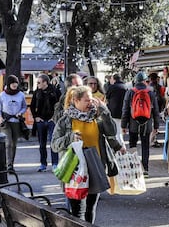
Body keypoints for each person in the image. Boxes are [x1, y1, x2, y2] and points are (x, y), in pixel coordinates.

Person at [51, 85, 123, 223]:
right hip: (75, 170)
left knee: (91, 208)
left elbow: (112, 132)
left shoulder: (97, 117)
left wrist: (104, 110)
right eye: (86, 100)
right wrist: (70, 138)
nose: (90, 103)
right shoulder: (65, 121)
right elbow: (55, 145)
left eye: (91, 100)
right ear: (75, 101)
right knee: (77, 211)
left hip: (95, 166)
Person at [121, 71, 161, 177]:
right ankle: (145, 169)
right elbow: (156, 111)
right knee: (145, 146)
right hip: (147, 123)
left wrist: (123, 125)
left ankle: (134, 168)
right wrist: (156, 126)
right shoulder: (151, 92)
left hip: (133, 123)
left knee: (133, 144)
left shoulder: (130, 92)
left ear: (135, 81)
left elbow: (125, 110)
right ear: (144, 81)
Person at [0, 75, 27, 172]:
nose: (14, 85)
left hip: (16, 122)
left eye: (16, 83)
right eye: (12, 83)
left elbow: (24, 106)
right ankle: (8, 164)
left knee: (14, 144)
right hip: (6, 121)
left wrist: (20, 112)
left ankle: (11, 163)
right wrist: (0, 118)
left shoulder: (21, 94)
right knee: (8, 143)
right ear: (8, 84)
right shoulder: (2, 95)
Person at [30, 73, 61, 172]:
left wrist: (55, 117)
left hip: (52, 120)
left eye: (39, 82)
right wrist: (36, 117)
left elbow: (59, 106)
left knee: (53, 142)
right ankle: (43, 164)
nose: (37, 84)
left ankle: (55, 164)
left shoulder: (55, 91)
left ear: (45, 82)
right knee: (42, 144)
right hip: (41, 120)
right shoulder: (37, 93)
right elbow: (32, 106)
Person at [105, 73, 127, 149]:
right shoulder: (125, 87)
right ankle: (121, 146)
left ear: (114, 79)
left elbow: (107, 98)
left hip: (113, 112)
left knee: (116, 132)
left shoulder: (112, 87)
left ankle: (121, 147)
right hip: (123, 112)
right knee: (120, 131)